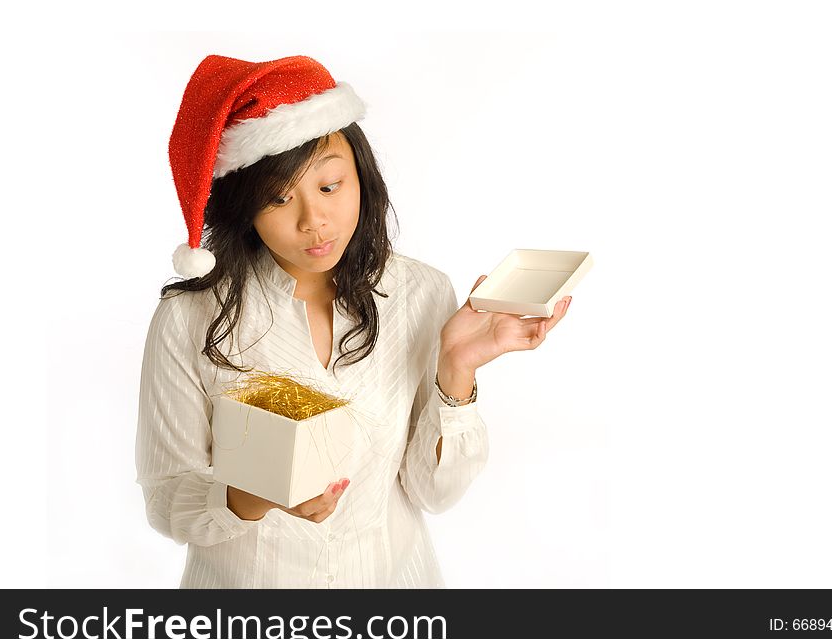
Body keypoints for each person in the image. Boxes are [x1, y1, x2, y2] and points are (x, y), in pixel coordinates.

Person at [134, 54, 572, 588]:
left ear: (360, 176)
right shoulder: (189, 319)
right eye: (277, 198)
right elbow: (166, 502)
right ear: (243, 208)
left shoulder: (420, 292)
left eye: (329, 186)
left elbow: (436, 493)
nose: (312, 221)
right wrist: (254, 495)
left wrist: (456, 369)